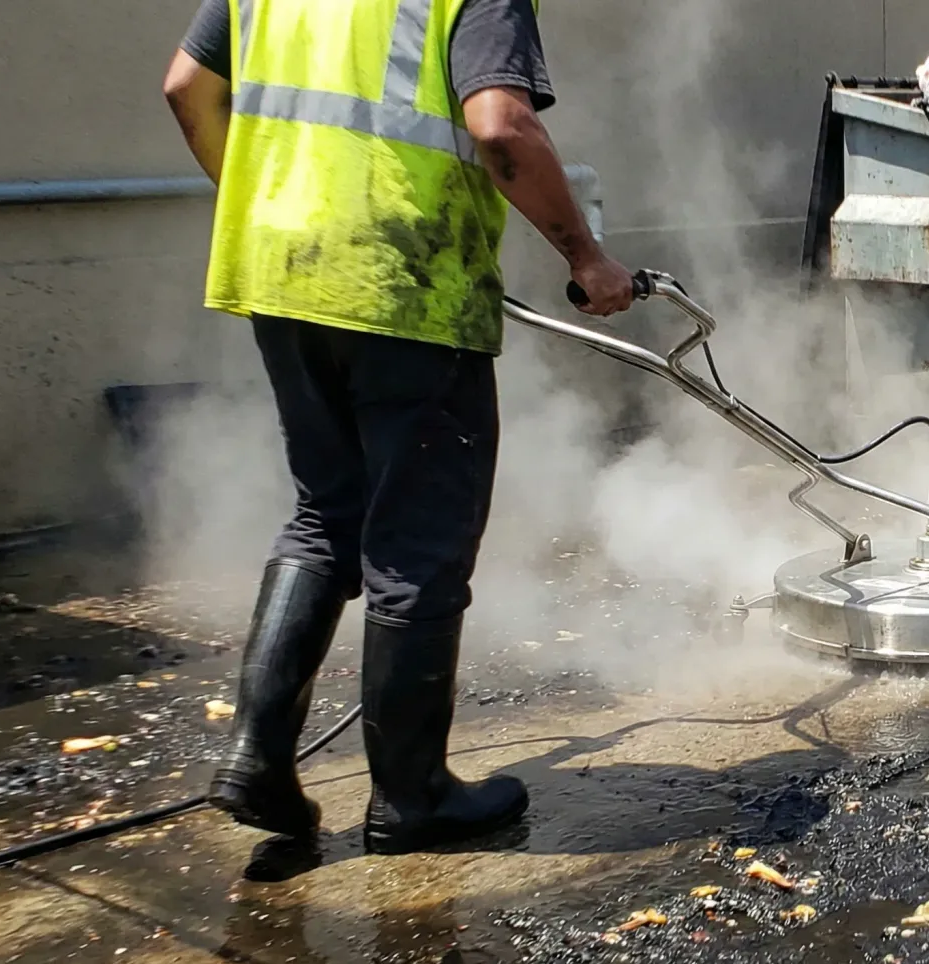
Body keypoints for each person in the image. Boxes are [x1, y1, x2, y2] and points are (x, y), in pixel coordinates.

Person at [163, 0, 634, 854]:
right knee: (418, 542)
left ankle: (256, 757)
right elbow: (501, 127)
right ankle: (412, 797)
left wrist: (275, 206)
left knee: (326, 515)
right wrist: (585, 257)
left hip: (281, 270)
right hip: (403, 284)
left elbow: (187, 87)